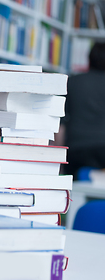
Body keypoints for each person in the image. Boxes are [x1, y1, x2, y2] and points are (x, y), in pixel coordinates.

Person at [58, 42, 105, 179]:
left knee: (75, 187)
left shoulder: (72, 82)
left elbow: (60, 126)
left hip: (77, 151)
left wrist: (58, 160)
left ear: (89, 59)